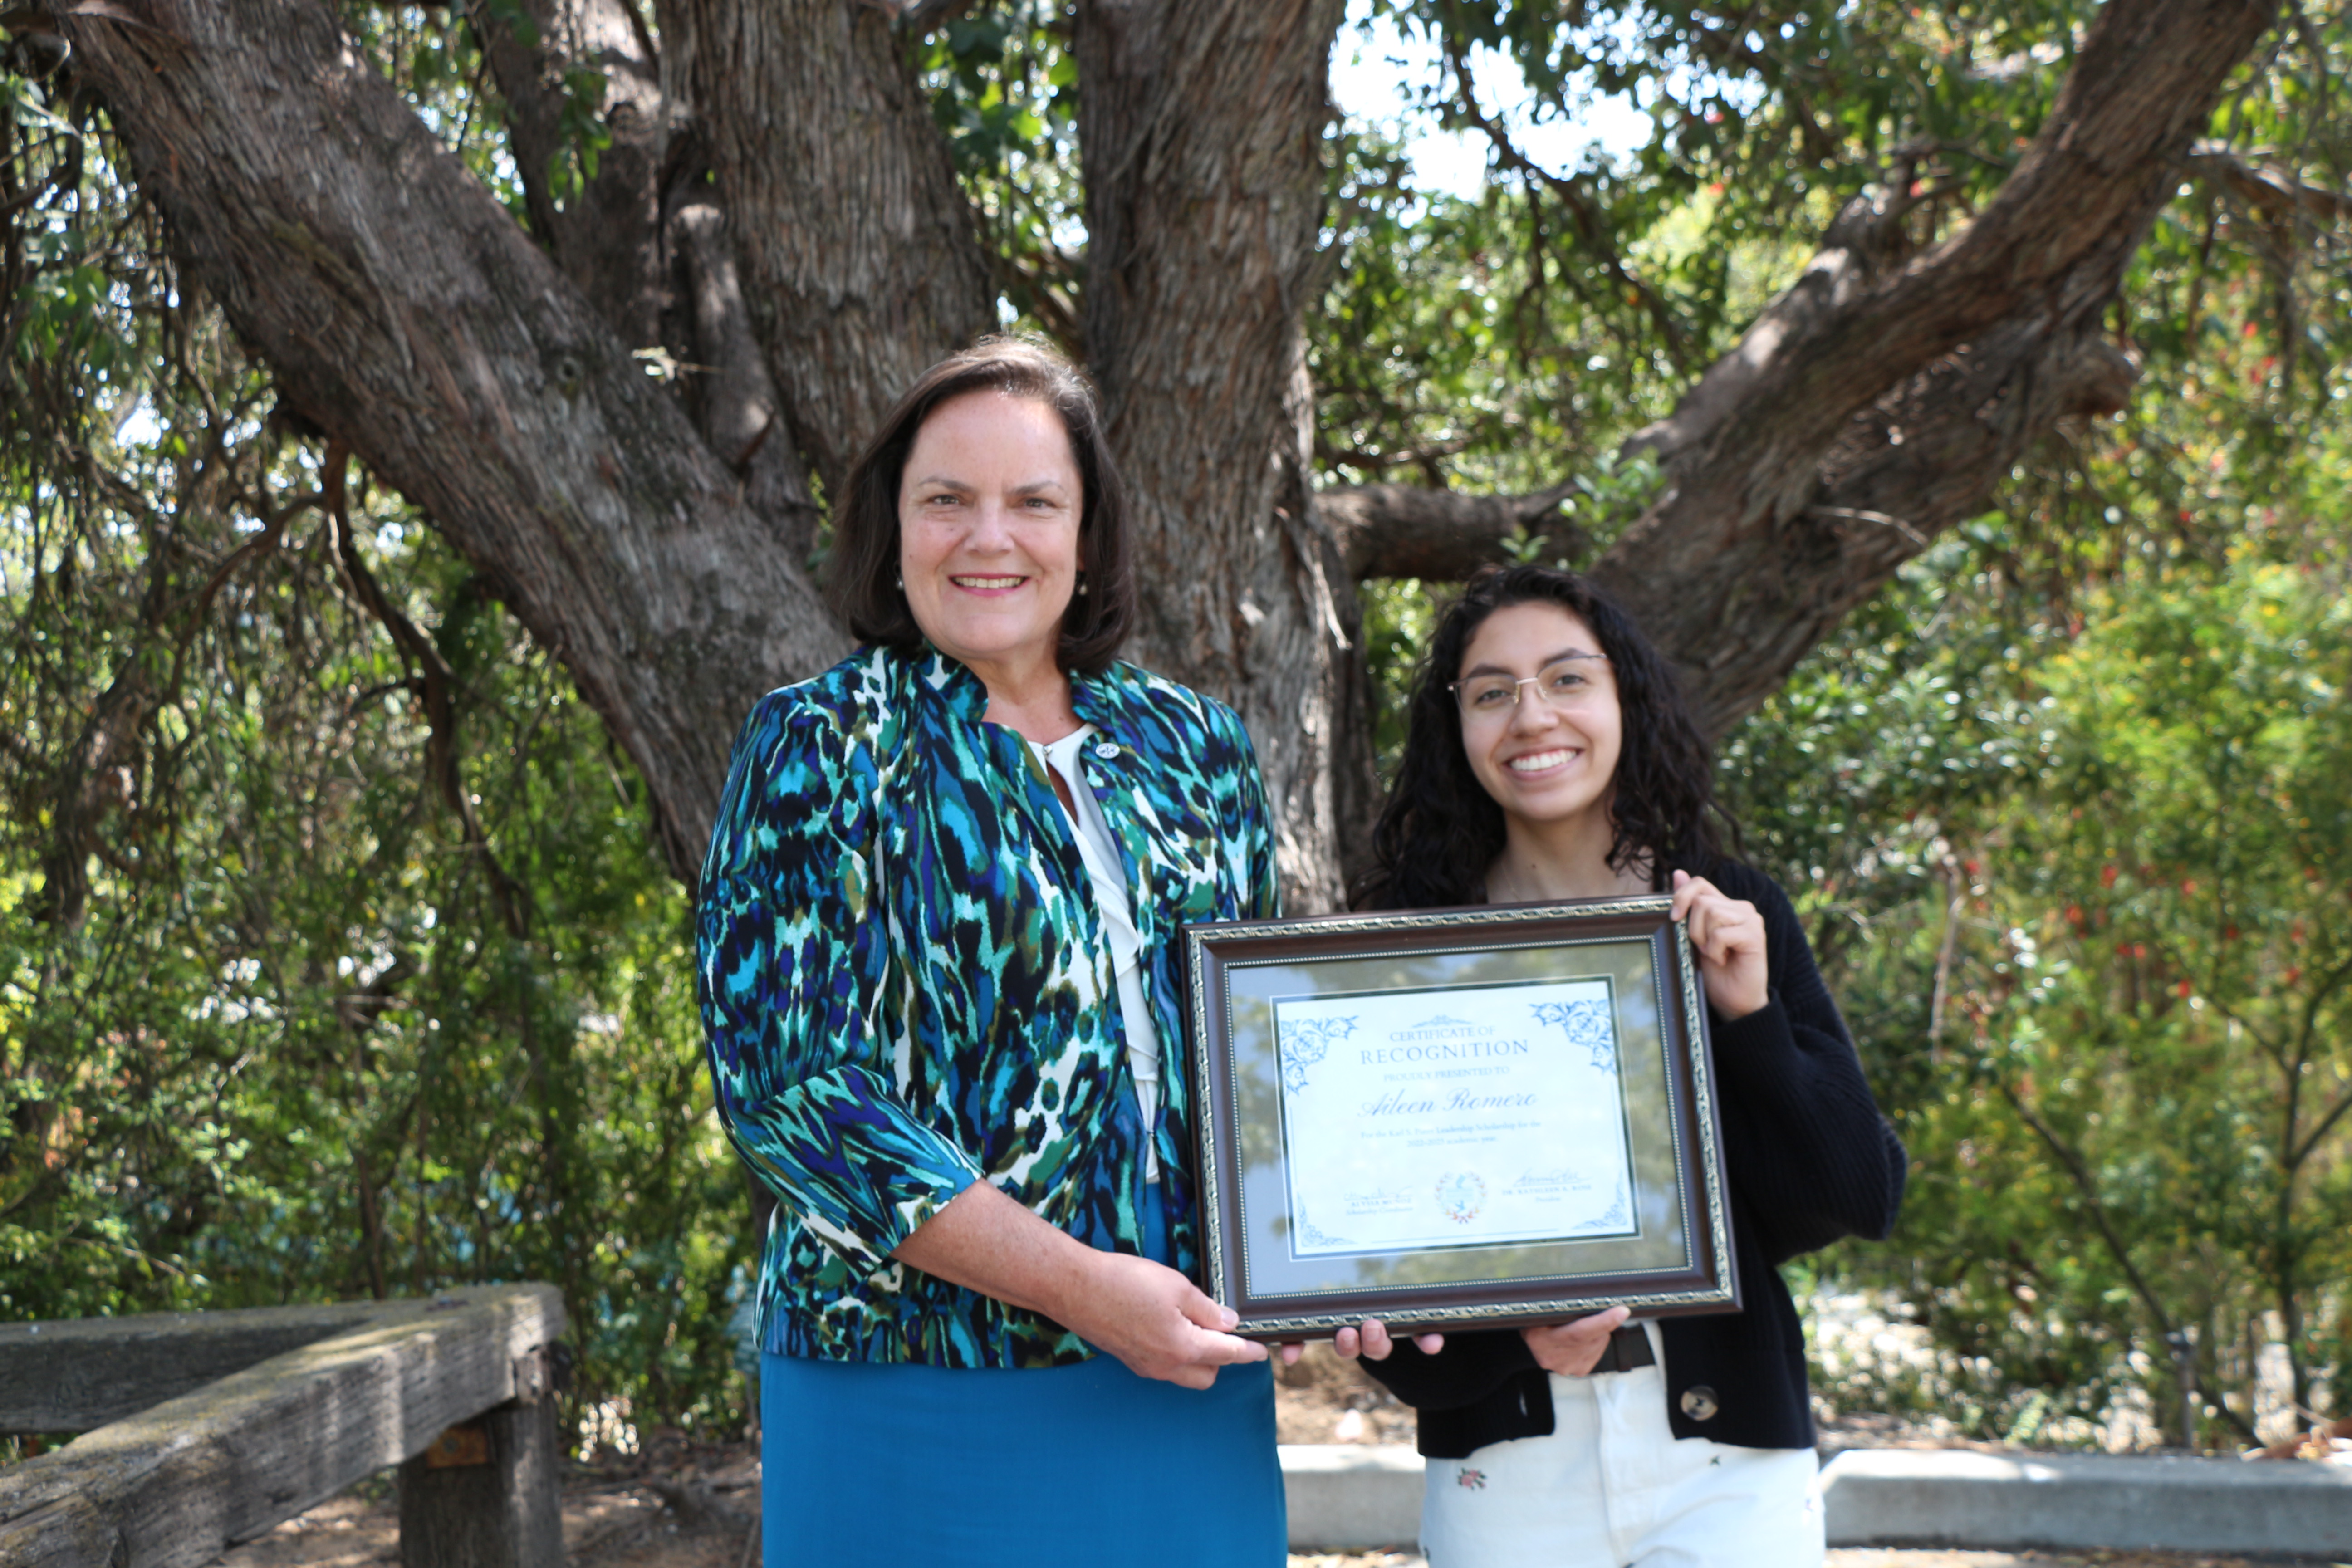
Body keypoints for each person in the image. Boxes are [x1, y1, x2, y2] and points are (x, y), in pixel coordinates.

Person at [696, 339, 1286, 1565]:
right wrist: (1081, 1289)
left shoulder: (1199, 751)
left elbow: (1260, 1064)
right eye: (946, 500)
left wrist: (1347, 1270)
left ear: (1087, 532)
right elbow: (796, 1098)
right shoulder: (820, 747)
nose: (989, 538)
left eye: (1033, 501)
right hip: (912, 1393)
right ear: (892, 528)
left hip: (1187, 1373)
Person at [1338, 563, 1906, 1568]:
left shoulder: (1725, 911)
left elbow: (1856, 1192)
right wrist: (1517, 1339)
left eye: (1566, 679)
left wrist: (1752, 1020)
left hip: (1726, 1462)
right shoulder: (1411, 954)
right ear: (1454, 727)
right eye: (1491, 692)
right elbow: (1389, 1283)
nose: (1531, 717)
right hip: (1506, 1469)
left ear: (1622, 699)